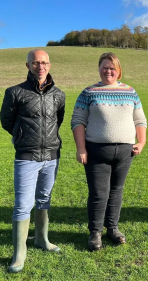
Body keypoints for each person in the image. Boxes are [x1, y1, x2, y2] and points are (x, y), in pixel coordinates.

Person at [71, 52, 147, 251]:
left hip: (125, 152)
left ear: (119, 70)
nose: (108, 71)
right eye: (104, 67)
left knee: (116, 191)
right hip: (96, 152)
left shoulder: (130, 92)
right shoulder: (89, 92)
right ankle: (95, 232)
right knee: (98, 193)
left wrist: (142, 142)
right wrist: (81, 149)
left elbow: (140, 120)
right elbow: (78, 121)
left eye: (112, 68)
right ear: (99, 69)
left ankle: (112, 228)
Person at [1, 49, 65, 273]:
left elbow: (59, 120)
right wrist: (22, 136)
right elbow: (6, 121)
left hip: (51, 156)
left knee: (44, 199)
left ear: (50, 65)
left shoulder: (59, 94)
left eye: (44, 62)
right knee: (22, 206)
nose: (41, 66)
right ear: (27, 65)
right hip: (26, 157)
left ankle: (41, 239)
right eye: (36, 63)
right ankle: (19, 254)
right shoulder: (14, 92)